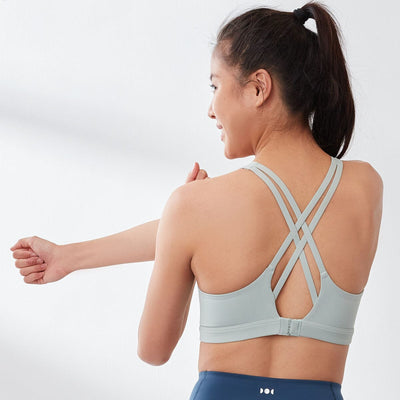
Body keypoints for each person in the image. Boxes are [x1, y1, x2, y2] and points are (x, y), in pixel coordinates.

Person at [10, 1, 383, 399]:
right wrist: (69, 256)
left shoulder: (195, 209)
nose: (210, 109)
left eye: (215, 86)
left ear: (258, 88)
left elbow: (153, 350)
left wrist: (185, 231)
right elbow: (228, 225)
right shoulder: (364, 187)